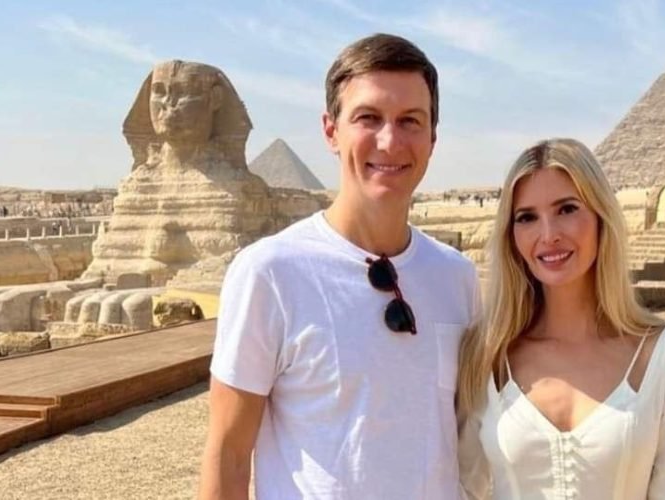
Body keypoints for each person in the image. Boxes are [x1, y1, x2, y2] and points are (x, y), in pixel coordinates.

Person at [198, 33, 479, 500]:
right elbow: (227, 455)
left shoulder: (457, 277)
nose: (390, 141)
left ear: (433, 138)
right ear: (331, 130)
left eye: (411, 120)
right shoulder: (269, 273)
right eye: (368, 117)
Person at [457, 138, 665, 499]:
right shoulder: (488, 357)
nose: (549, 235)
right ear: (511, 236)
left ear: (600, 216)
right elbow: (464, 487)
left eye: (567, 209)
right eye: (527, 217)